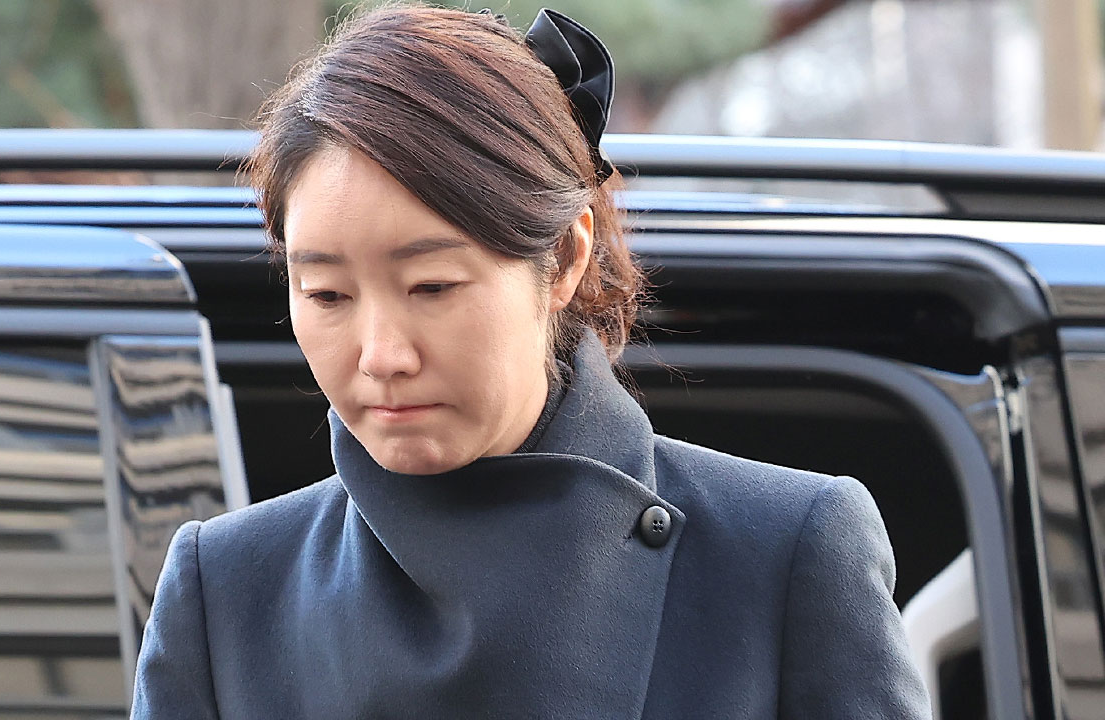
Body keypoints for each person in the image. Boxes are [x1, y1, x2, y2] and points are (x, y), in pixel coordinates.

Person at [130, 5, 931, 718]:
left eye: (431, 286)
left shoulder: (781, 553)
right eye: (327, 294)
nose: (381, 356)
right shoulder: (225, 592)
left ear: (567, 258)